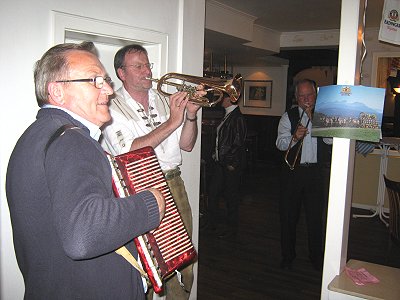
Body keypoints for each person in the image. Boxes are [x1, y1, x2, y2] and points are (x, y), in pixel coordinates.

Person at [6, 42, 166, 299]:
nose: (110, 91)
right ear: (57, 91)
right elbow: (84, 233)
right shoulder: (72, 141)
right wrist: (150, 203)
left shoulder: (34, 137)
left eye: (106, 80)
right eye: (95, 80)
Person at [101, 44, 203, 300]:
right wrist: (172, 122)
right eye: (139, 66)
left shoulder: (162, 99)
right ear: (121, 73)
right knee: (149, 259)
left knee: (182, 253)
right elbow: (128, 151)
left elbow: (187, 145)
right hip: (140, 189)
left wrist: (190, 115)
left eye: (148, 65)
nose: (147, 71)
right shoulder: (111, 107)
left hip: (173, 182)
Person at [276, 79, 332, 271]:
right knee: (289, 217)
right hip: (293, 173)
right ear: (296, 97)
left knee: (316, 218)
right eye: (302, 96)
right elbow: (280, 144)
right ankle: (288, 256)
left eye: (310, 95)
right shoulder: (288, 116)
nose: (306, 99)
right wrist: (294, 137)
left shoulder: (324, 115)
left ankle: (316, 257)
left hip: (316, 173)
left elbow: (330, 141)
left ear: (316, 96)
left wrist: (315, 120)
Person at [206, 93, 247, 239]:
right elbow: (222, 140)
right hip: (221, 163)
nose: (220, 100)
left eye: (222, 97)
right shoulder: (228, 115)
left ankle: (231, 229)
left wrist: (231, 163)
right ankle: (212, 224)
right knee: (213, 193)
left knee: (231, 198)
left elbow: (238, 143)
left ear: (230, 99)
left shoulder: (237, 117)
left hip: (228, 165)